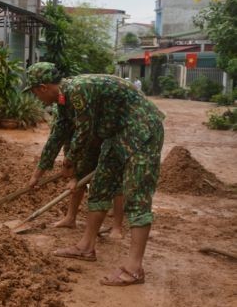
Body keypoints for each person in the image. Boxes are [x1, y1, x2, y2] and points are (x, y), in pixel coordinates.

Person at [25, 62, 165, 286]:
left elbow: (84, 132)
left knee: (136, 194)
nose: (35, 97)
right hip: (116, 133)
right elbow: (57, 134)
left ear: (42, 87)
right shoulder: (63, 101)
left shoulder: (79, 90)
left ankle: (134, 268)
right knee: (100, 186)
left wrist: (70, 163)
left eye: (33, 91)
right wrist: (38, 172)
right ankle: (86, 247)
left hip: (141, 129)